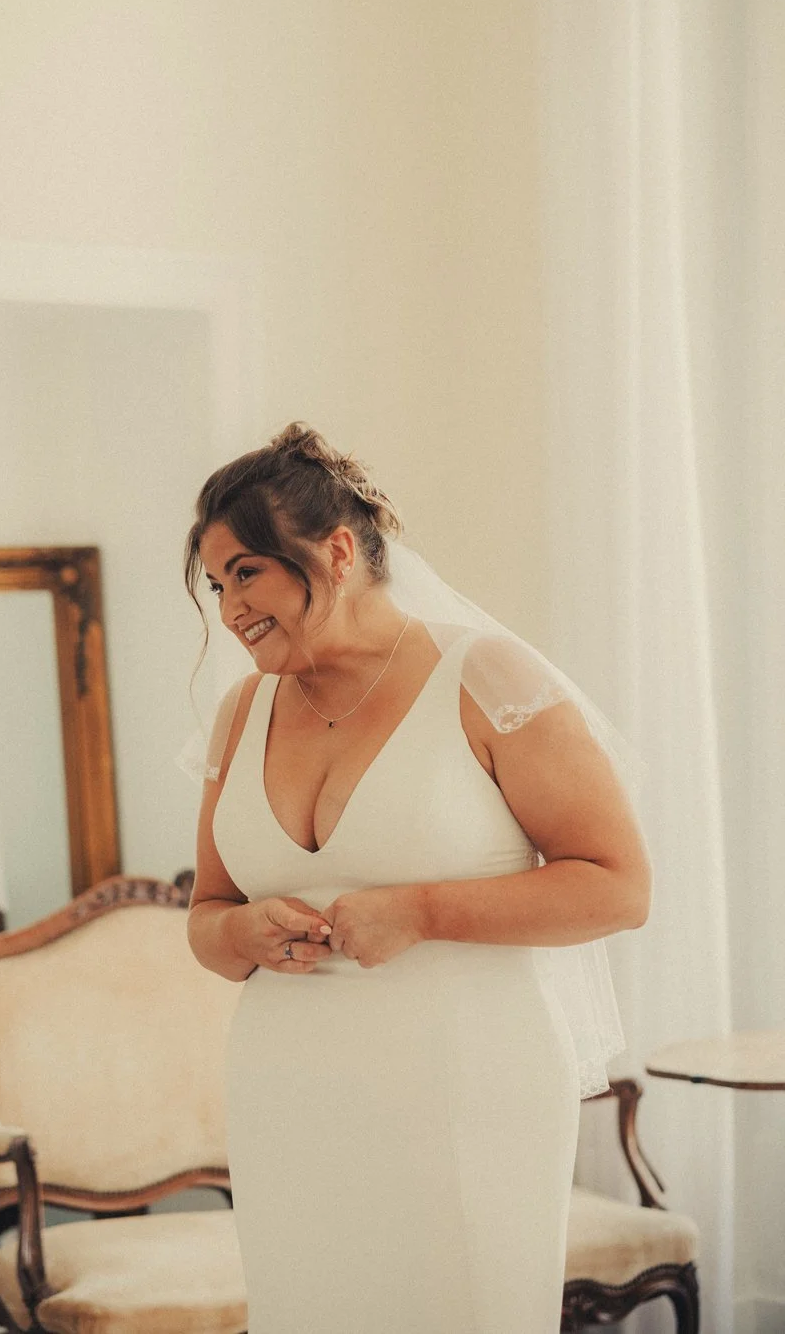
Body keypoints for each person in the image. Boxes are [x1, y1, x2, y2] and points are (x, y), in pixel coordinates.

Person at [184, 422, 652, 1334]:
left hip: (468, 1082)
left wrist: (424, 910)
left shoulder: (484, 675)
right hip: (289, 1095)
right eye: (215, 584)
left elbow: (618, 886)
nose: (229, 607)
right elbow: (207, 912)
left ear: (338, 550)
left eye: (247, 572)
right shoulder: (240, 711)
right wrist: (237, 936)